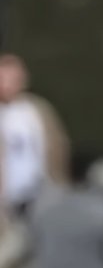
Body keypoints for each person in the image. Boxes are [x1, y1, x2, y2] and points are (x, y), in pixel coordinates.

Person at [0, 54, 47, 225]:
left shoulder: (37, 109)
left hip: (37, 194)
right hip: (5, 199)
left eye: (14, 79)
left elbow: (56, 146)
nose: (8, 84)